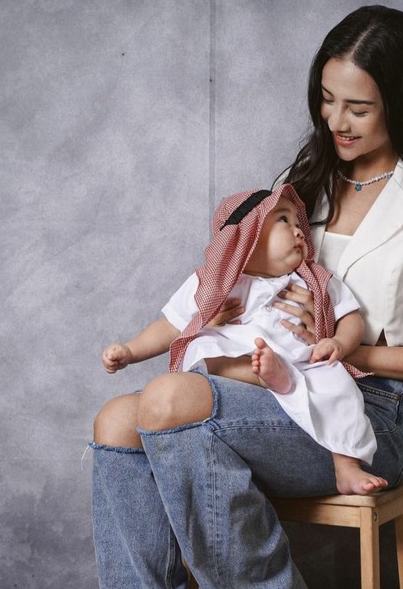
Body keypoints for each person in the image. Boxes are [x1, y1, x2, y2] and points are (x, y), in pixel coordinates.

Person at [91, 5, 403, 589]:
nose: (336, 120)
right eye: (326, 97)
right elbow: (226, 279)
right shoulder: (299, 182)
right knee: (115, 422)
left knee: (167, 399)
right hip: (267, 390)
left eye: (359, 106)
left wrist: (353, 351)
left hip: (365, 415)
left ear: (401, 100)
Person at [102, 184, 385, 496]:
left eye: (298, 222)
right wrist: (130, 351)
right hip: (228, 364)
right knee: (202, 345)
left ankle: (346, 466)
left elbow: (351, 318)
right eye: (283, 221)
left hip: (299, 366)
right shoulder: (214, 281)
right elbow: (170, 326)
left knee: (338, 385)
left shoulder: (314, 279)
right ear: (246, 237)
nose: (299, 231)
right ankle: (260, 376)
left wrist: (339, 344)